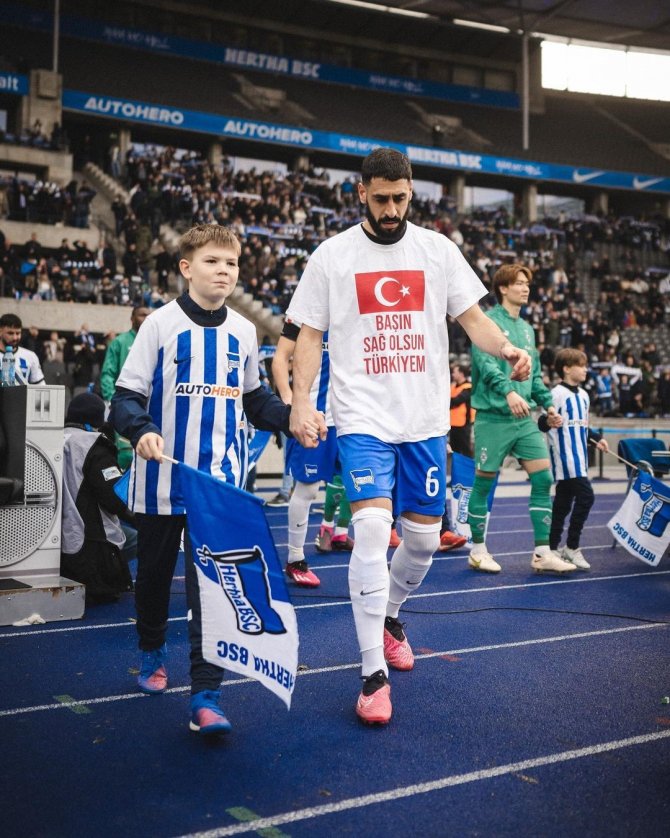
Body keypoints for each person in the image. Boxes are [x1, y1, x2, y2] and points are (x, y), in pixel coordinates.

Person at [287, 148, 531, 725]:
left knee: (421, 543)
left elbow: (473, 319)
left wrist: (507, 347)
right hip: (362, 417)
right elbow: (309, 336)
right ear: (361, 192)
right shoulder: (332, 256)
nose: (391, 209)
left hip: (423, 421)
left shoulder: (437, 250)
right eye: (381, 199)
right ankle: (372, 674)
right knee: (372, 532)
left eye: (400, 198)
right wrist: (301, 401)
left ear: (412, 191)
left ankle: (391, 614)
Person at [111, 224, 292, 736]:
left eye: (231, 264)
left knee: (213, 590)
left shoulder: (244, 331)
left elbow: (254, 400)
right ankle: (151, 649)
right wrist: (142, 429)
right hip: (160, 482)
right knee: (153, 580)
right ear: (187, 268)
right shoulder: (159, 326)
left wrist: (290, 419)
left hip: (218, 488)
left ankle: (206, 694)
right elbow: (125, 397)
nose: (224, 271)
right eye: (213, 261)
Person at [466, 263, 575, 576]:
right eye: (519, 283)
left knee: (543, 479)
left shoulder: (528, 329)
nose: (526, 288)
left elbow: (535, 375)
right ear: (503, 288)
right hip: (493, 417)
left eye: (527, 283)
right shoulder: (486, 322)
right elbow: (486, 365)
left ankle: (542, 553)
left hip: (524, 419)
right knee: (484, 484)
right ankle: (478, 550)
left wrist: (548, 405)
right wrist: (508, 393)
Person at [272, 318, 353, 588]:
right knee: (306, 490)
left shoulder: (354, 309)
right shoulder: (304, 312)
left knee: (362, 488)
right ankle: (295, 559)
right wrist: (290, 401)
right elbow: (280, 358)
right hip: (314, 418)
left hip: (352, 420)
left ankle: (359, 550)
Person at [61, 393, 135, 603]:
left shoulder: (54, 438)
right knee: (140, 536)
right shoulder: (94, 445)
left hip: (56, 537)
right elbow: (115, 500)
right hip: (88, 543)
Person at [539, 348, 609, 571]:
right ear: (567, 369)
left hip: (580, 460)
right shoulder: (556, 394)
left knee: (561, 505)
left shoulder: (584, 395)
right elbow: (542, 422)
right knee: (586, 497)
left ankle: (551, 548)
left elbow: (583, 427)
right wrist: (548, 421)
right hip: (565, 459)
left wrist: (597, 439)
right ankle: (571, 546)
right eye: (581, 365)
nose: (586, 369)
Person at [100, 306, 151, 469]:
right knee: (126, 454)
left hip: (150, 405)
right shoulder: (120, 342)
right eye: (142, 315)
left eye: (148, 315)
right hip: (127, 404)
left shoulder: (155, 342)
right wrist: (111, 399)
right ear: (132, 318)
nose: (146, 318)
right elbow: (107, 373)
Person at [0, 313, 45, 384]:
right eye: (10, 333)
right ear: (0, 332)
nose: (15, 338)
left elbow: (40, 386)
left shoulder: (30, 356)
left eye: (18, 333)